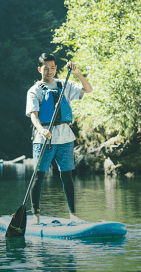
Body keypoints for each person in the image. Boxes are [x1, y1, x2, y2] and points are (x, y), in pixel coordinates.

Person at [25, 53, 93, 225]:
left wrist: (77, 73)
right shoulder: (34, 90)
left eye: (52, 68)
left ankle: (73, 215)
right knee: (38, 176)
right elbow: (34, 116)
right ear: (39, 69)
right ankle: (35, 215)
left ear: (56, 68)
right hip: (44, 139)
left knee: (67, 176)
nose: (49, 71)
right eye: (46, 68)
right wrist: (41, 130)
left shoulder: (65, 84)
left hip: (64, 137)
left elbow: (88, 89)